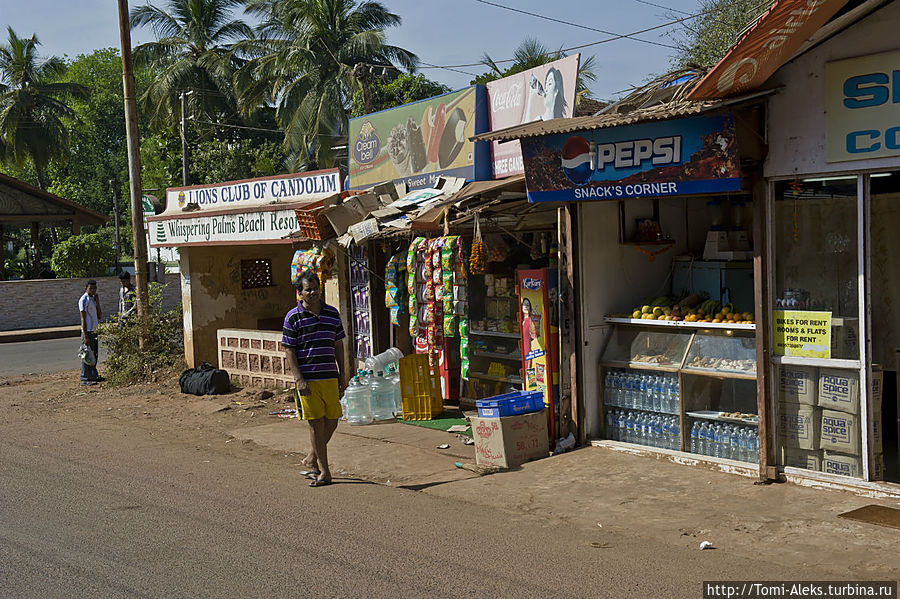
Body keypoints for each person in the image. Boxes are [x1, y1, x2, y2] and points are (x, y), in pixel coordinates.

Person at [282, 270, 346, 487]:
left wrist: (342, 375)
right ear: (299, 293)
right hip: (308, 379)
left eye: (315, 288)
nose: (313, 292)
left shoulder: (332, 314)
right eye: (308, 289)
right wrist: (298, 379)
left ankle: (312, 458)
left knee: (333, 421)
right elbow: (289, 350)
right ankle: (324, 472)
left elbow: (338, 345)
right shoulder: (293, 317)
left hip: (329, 377)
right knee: (315, 425)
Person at [78, 280, 103, 385]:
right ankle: (85, 378)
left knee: (94, 354)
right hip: (87, 331)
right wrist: (85, 335)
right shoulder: (84, 300)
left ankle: (93, 375)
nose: (93, 290)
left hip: (94, 330)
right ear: (86, 288)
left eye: (94, 288)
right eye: (91, 288)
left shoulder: (93, 299)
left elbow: (99, 316)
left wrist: (98, 302)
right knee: (87, 355)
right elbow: (83, 319)